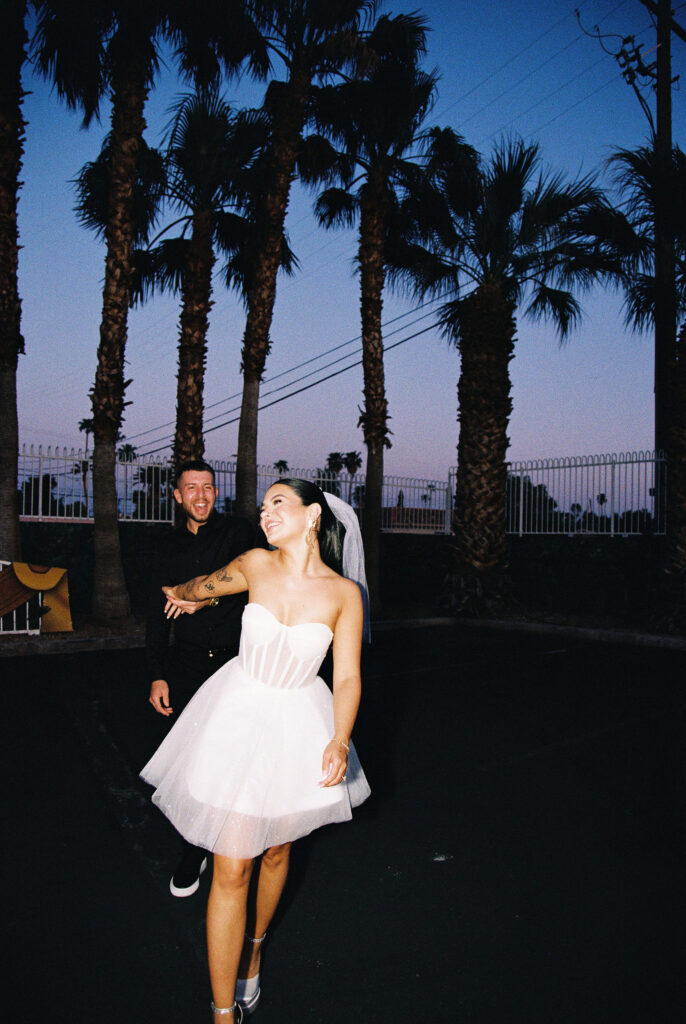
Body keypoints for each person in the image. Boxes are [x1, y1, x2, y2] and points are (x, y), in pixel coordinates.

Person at [141, 479, 371, 1021]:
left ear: (312, 514)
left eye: (278, 503)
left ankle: (255, 948)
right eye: (263, 505)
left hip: (299, 723)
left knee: (276, 850)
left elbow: (349, 677)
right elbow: (204, 585)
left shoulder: (343, 594)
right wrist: (184, 595)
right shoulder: (252, 563)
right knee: (232, 865)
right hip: (237, 715)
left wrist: (339, 738)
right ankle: (223, 1012)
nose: (264, 513)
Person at [145, 459, 254, 897]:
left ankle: (211, 845)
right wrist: (157, 675)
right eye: (191, 488)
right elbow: (157, 617)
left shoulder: (239, 535)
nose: (201, 495)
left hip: (235, 664)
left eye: (208, 487)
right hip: (187, 667)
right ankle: (195, 843)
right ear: (177, 495)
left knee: (230, 759)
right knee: (192, 765)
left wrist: (201, 600)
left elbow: (252, 583)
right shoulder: (164, 548)